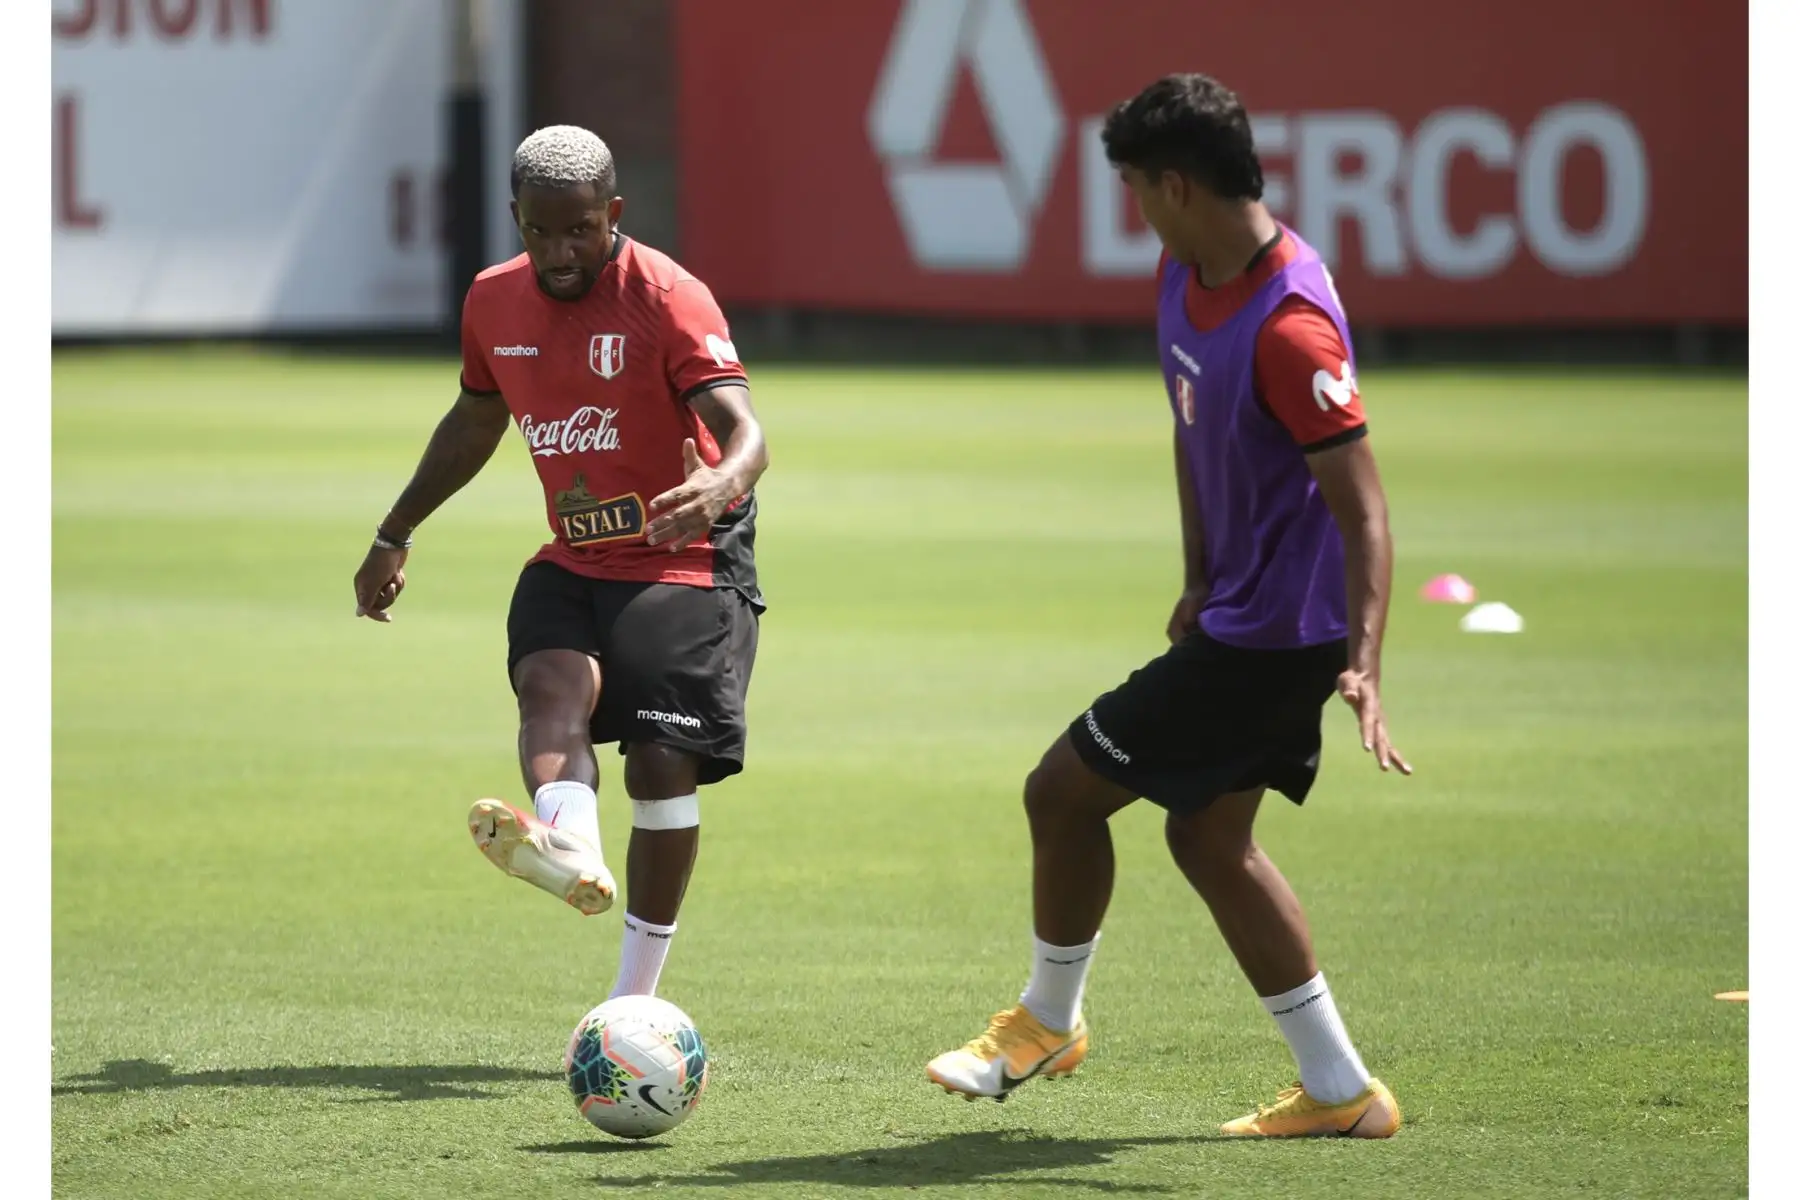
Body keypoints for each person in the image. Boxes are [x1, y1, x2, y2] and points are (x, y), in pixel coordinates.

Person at [925, 75, 1411, 1139]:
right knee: (1208, 840)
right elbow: (1195, 429)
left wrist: (1365, 663)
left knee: (1061, 793)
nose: (1136, 209)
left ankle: (1046, 1020)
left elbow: (1366, 512)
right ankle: (1341, 1092)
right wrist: (1199, 574)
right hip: (1241, 615)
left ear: (1178, 185)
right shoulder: (1182, 274)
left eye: (1140, 188)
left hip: (1279, 640)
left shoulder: (1291, 327)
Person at [351, 125, 768, 1003]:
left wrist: (720, 483)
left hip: (684, 552)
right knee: (547, 682)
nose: (559, 252)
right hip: (577, 554)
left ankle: (633, 1003)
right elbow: (475, 421)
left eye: (579, 230)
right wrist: (396, 530)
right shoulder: (493, 300)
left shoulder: (668, 297)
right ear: (517, 218)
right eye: (539, 231)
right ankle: (571, 843)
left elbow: (745, 432)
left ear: (613, 213)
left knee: (659, 764)